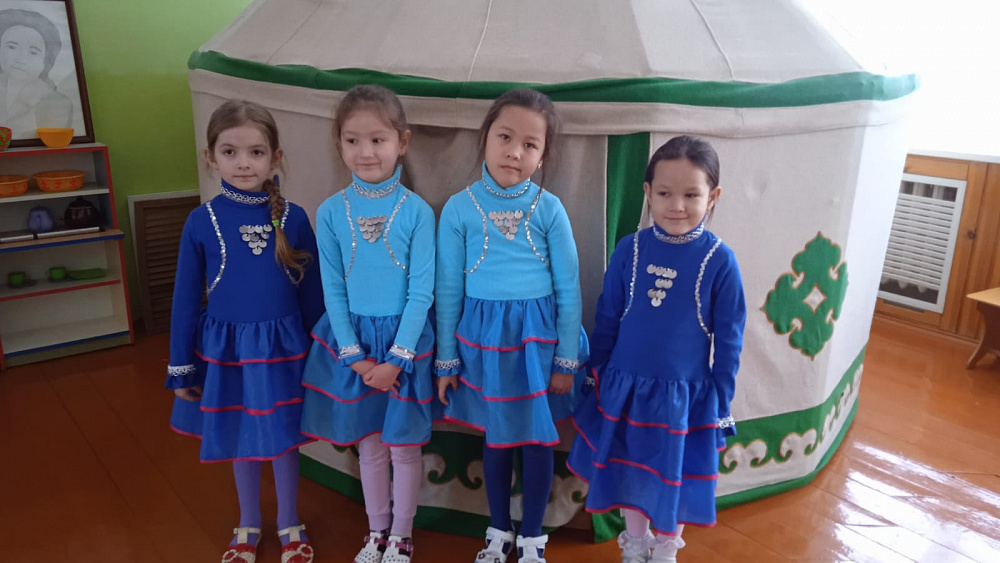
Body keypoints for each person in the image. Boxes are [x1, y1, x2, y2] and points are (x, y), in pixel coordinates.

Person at [567, 136, 747, 563]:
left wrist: (721, 399)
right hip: (626, 390)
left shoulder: (720, 261)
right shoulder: (629, 250)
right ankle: (634, 544)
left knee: (673, 476)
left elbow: (730, 340)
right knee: (630, 468)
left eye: (691, 195)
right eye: (664, 193)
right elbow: (607, 317)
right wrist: (598, 371)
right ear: (647, 192)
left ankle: (666, 550)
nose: (676, 206)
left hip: (684, 399)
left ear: (713, 196)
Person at [435, 88, 588, 563]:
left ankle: (532, 539)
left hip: (538, 345)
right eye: (505, 137)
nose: (514, 152)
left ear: (543, 156)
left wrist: (565, 360)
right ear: (485, 137)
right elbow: (448, 291)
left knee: (538, 440)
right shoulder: (459, 208)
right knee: (497, 438)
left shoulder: (549, 209)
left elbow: (569, 289)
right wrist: (446, 360)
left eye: (529, 144)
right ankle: (498, 530)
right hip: (485, 346)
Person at [166, 99, 323, 563]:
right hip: (229, 352)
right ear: (210, 157)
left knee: (284, 437)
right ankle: (248, 522)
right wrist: (181, 366)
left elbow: (313, 295)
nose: (243, 163)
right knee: (241, 435)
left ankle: (290, 521)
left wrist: (323, 357)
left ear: (275, 157)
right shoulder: (201, 221)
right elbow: (185, 299)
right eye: (229, 152)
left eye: (256, 152)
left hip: (284, 351)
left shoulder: (295, 218)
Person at [299, 85, 435, 563]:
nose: (366, 152)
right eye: (353, 140)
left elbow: (421, 293)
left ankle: (402, 535)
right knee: (371, 444)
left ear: (402, 141)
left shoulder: (417, 212)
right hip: (354, 343)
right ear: (338, 143)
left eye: (378, 139)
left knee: (403, 445)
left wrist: (397, 359)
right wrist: (354, 357)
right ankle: (376, 531)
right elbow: (333, 289)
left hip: (404, 344)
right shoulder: (330, 212)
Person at [0, 9, 72, 137]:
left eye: (33, 52)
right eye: (11, 47)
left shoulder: (56, 102)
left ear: (46, 61)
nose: (20, 59)